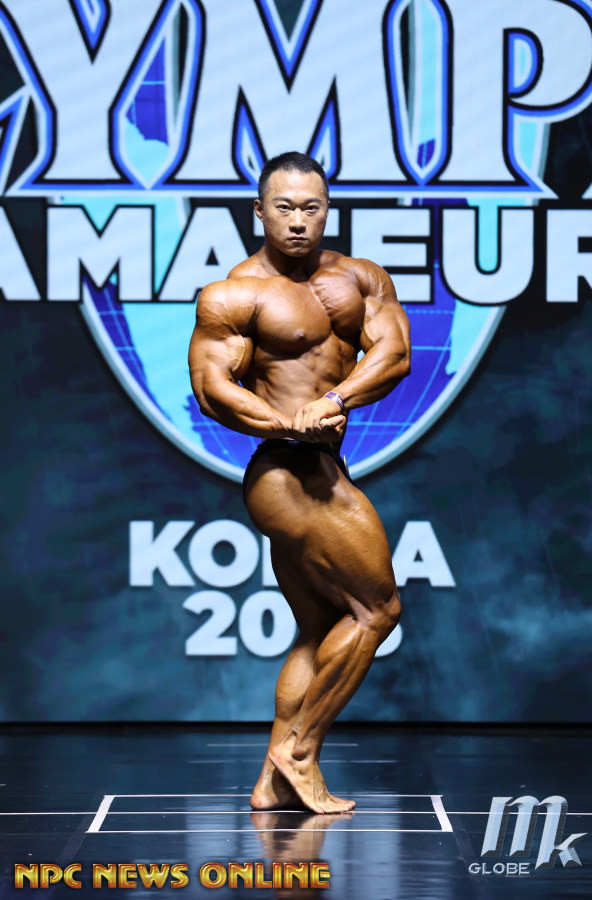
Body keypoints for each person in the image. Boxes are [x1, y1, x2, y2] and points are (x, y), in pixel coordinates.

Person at [188, 152, 411, 814]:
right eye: (283, 207)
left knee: (317, 631)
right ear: (258, 212)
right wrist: (287, 421)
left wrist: (334, 400)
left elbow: (395, 354)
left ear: (327, 211)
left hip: (323, 463)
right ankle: (301, 751)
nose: (297, 220)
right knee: (378, 611)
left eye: (310, 207)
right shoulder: (235, 294)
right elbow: (212, 388)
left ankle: (270, 783)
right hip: (284, 472)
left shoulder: (361, 278)